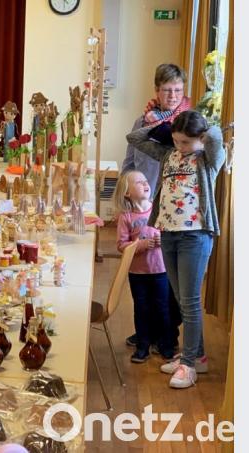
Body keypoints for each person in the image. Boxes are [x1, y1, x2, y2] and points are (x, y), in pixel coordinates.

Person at [126, 110, 224, 389]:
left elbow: (216, 136)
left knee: (190, 301)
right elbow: (133, 137)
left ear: (200, 138)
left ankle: (189, 365)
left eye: (185, 142)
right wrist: (165, 125)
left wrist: (201, 128)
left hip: (195, 236)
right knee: (181, 299)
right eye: (176, 140)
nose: (179, 146)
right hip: (167, 233)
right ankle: (198, 356)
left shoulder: (208, 158)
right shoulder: (168, 154)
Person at [114, 170, 174, 363]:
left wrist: (161, 239)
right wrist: (140, 245)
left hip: (161, 271)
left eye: (146, 180)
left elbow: (170, 233)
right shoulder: (126, 217)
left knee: (163, 308)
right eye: (139, 182)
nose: (145, 184)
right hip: (137, 273)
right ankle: (142, 346)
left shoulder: (159, 209)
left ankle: (166, 344)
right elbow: (121, 245)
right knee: (141, 309)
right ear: (127, 192)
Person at [122, 64, 191, 196]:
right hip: (143, 199)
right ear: (157, 90)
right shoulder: (142, 122)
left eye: (178, 90)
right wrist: (124, 195)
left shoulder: (188, 126)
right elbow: (129, 163)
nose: (173, 96)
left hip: (176, 199)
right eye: (167, 90)